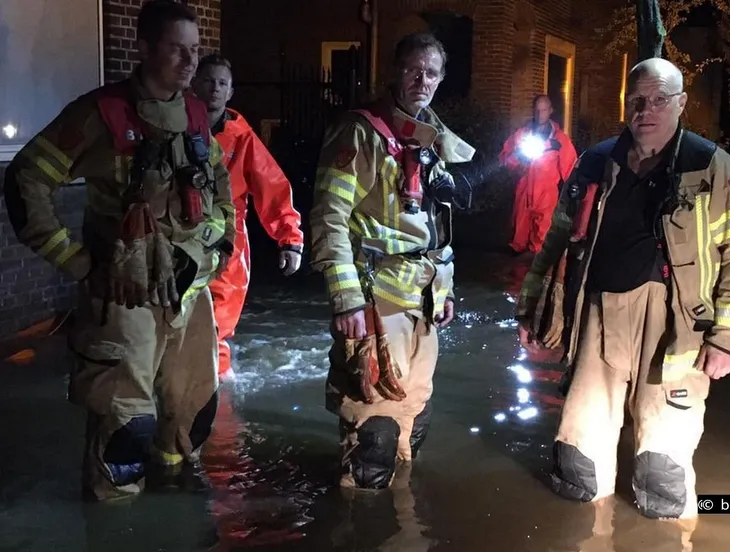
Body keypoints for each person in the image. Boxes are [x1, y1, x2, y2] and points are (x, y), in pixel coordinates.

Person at [515, 58, 730, 519]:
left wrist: (729, 338)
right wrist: (532, 304)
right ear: (624, 104)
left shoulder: (710, 166)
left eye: (659, 100)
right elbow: (556, 238)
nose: (646, 110)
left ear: (681, 104)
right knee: (578, 466)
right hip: (597, 318)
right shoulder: (596, 162)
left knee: (663, 475)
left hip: (675, 329)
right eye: (636, 100)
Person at [3, 0, 235, 501]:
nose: (190, 62)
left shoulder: (196, 115)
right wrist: (79, 264)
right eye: (177, 49)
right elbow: (26, 179)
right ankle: (116, 519)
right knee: (126, 430)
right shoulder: (99, 114)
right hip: (125, 296)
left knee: (190, 415)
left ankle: (173, 510)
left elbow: (220, 191)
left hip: (190, 295)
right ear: (145, 47)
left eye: (195, 51)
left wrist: (218, 246)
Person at [309, 32, 475, 489]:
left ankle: (400, 522)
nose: (423, 79)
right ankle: (360, 523)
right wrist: (346, 299)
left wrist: (444, 291)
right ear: (394, 72)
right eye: (413, 69)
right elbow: (329, 217)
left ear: (441, 80)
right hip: (375, 298)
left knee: (413, 421)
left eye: (433, 72)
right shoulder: (360, 131)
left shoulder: (432, 138)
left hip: (424, 301)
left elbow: (437, 228)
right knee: (373, 432)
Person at [191, 54, 304, 382]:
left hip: (227, 238)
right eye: (209, 80)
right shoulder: (174, 126)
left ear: (230, 92)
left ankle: (219, 398)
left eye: (222, 83)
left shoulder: (241, 137)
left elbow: (273, 187)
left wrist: (290, 239)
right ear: (195, 84)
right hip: (179, 229)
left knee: (218, 324)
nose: (215, 88)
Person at [500, 95, 578, 255]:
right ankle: (516, 275)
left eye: (543, 110)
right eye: (536, 110)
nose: (539, 114)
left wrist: (575, 192)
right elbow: (504, 159)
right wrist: (517, 156)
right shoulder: (522, 134)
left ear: (550, 111)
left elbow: (571, 169)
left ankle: (537, 273)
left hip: (546, 196)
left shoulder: (559, 140)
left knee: (542, 243)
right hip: (524, 192)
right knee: (518, 239)